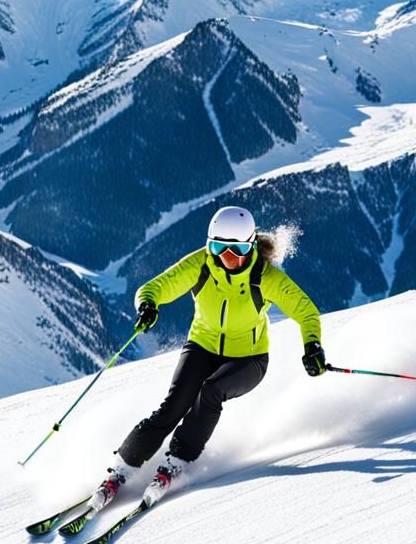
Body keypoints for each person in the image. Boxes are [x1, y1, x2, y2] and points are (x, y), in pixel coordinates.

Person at [91, 205, 325, 512]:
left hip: (248, 358)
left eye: (238, 249)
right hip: (202, 346)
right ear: (209, 245)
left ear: (251, 245)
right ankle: (121, 469)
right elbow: (156, 287)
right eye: (219, 248)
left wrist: (312, 346)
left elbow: (305, 311)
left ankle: (177, 461)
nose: (228, 258)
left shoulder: (264, 277)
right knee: (173, 405)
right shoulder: (201, 265)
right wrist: (148, 304)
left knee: (210, 392)